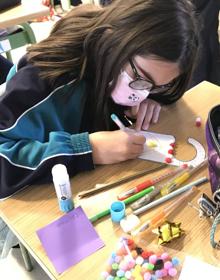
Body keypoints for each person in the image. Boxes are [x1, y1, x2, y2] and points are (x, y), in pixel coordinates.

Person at [0, 0, 199, 199]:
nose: (144, 93)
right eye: (141, 80)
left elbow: (165, 93)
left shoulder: (123, 63)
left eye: (159, 85)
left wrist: (151, 99)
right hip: (34, 198)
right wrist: (88, 149)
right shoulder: (44, 78)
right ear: (112, 42)